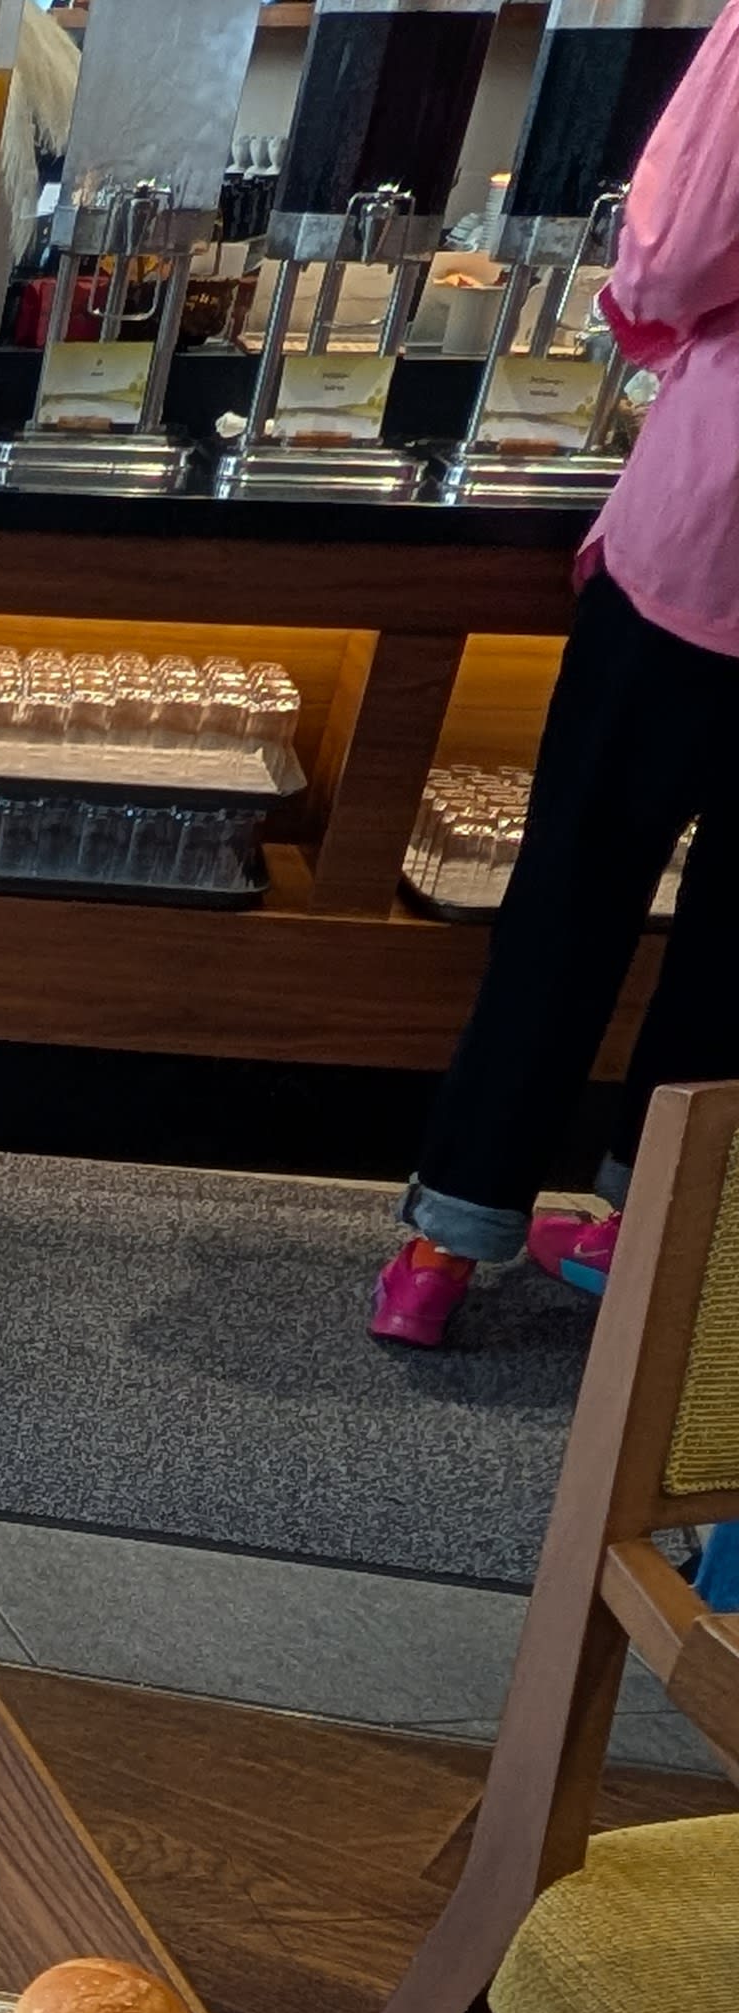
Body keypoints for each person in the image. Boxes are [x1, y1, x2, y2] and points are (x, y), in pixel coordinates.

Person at [371, 2, 739, 1352]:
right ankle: (661, 1255)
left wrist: (655, 323)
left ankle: (445, 1245)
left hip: (712, 538)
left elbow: (676, 248)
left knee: (576, 886)